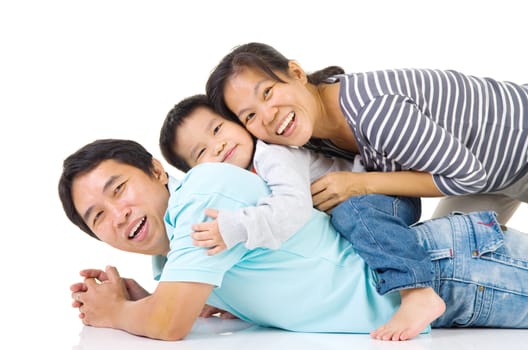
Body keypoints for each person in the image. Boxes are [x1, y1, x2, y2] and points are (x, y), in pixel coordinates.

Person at [61, 139, 528, 343]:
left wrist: (117, 313)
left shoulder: (202, 193)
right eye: (98, 216)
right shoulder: (168, 258)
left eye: (118, 189)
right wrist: (140, 299)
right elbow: (174, 307)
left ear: (157, 170)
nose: (118, 215)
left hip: (452, 270)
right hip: (447, 283)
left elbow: (170, 323)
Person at [159, 94, 444, 339]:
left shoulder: (272, 155)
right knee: (347, 216)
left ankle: (416, 292)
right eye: (202, 151)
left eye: (218, 129)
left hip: (386, 197)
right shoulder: (241, 180)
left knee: (350, 210)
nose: (218, 146)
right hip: (364, 221)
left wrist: (235, 227)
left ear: (239, 122)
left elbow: (291, 209)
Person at [205, 42, 528, 225]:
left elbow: (468, 177)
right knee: (446, 256)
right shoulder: (312, 132)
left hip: (516, 148)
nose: (268, 116)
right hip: (493, 173)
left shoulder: (375, 112)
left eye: (267, 93)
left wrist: (361, 184)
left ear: (297, 73)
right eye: (249, 115)